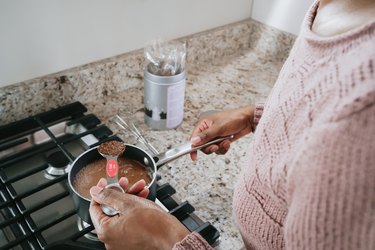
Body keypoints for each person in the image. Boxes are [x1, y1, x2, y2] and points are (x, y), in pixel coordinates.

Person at [89, 0, 375, 249]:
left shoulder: (365, 110)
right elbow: (318, 110)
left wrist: (166, 238)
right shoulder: (331, 7)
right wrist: (257, 116)